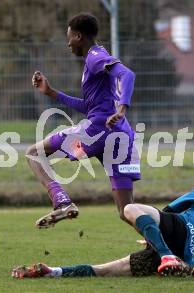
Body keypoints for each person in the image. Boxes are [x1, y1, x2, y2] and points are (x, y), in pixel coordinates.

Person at [12, 167, 194, 278]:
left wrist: (152, 234)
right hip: (188, 257)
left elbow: (167, 210)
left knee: (130, 208)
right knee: (114, 269)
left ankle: (166, 255)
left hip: (176, 231)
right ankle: (53, 272)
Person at [27, 13, 140, 229]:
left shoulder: (94, 57)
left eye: (69, 38)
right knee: (127, 211)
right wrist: (51, 93)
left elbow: (128, 75)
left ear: (78, 36)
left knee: (34, 153)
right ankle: (164, 248)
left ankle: (62, 202)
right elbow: (90, 107)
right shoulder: (99, 55)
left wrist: (123, 106)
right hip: (120, 136)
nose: (68, 43)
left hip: (97, 132)